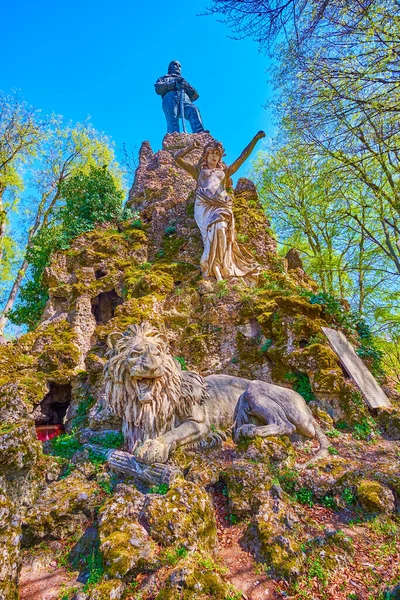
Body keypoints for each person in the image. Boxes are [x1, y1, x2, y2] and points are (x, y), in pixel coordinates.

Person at [173, 132, 266, 283]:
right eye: (212, 153)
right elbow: (177, 158)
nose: (214, 157)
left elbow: (242, 158)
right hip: (204, 206)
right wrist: (191, 147)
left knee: (221, 230)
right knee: (209, 237)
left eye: (217, 154)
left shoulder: (224, 172)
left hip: (222, 206)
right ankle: (212, 266)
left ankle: (220, 265)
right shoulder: (198, 172)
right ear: (206, 155)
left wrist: (254, 139)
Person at [155, 60, 205, 134]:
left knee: (193, 109)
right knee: (173, 119)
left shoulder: (182, 80)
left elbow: (195, 95)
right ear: (170, 68)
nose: (178, 67)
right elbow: (158, 89)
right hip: (170, 98)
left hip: (185, 99)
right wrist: (173, 84)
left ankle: (200, 134)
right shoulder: (163, 78)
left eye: (179, 66)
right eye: (175, 65)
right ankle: (174, 139)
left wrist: (185, 85)